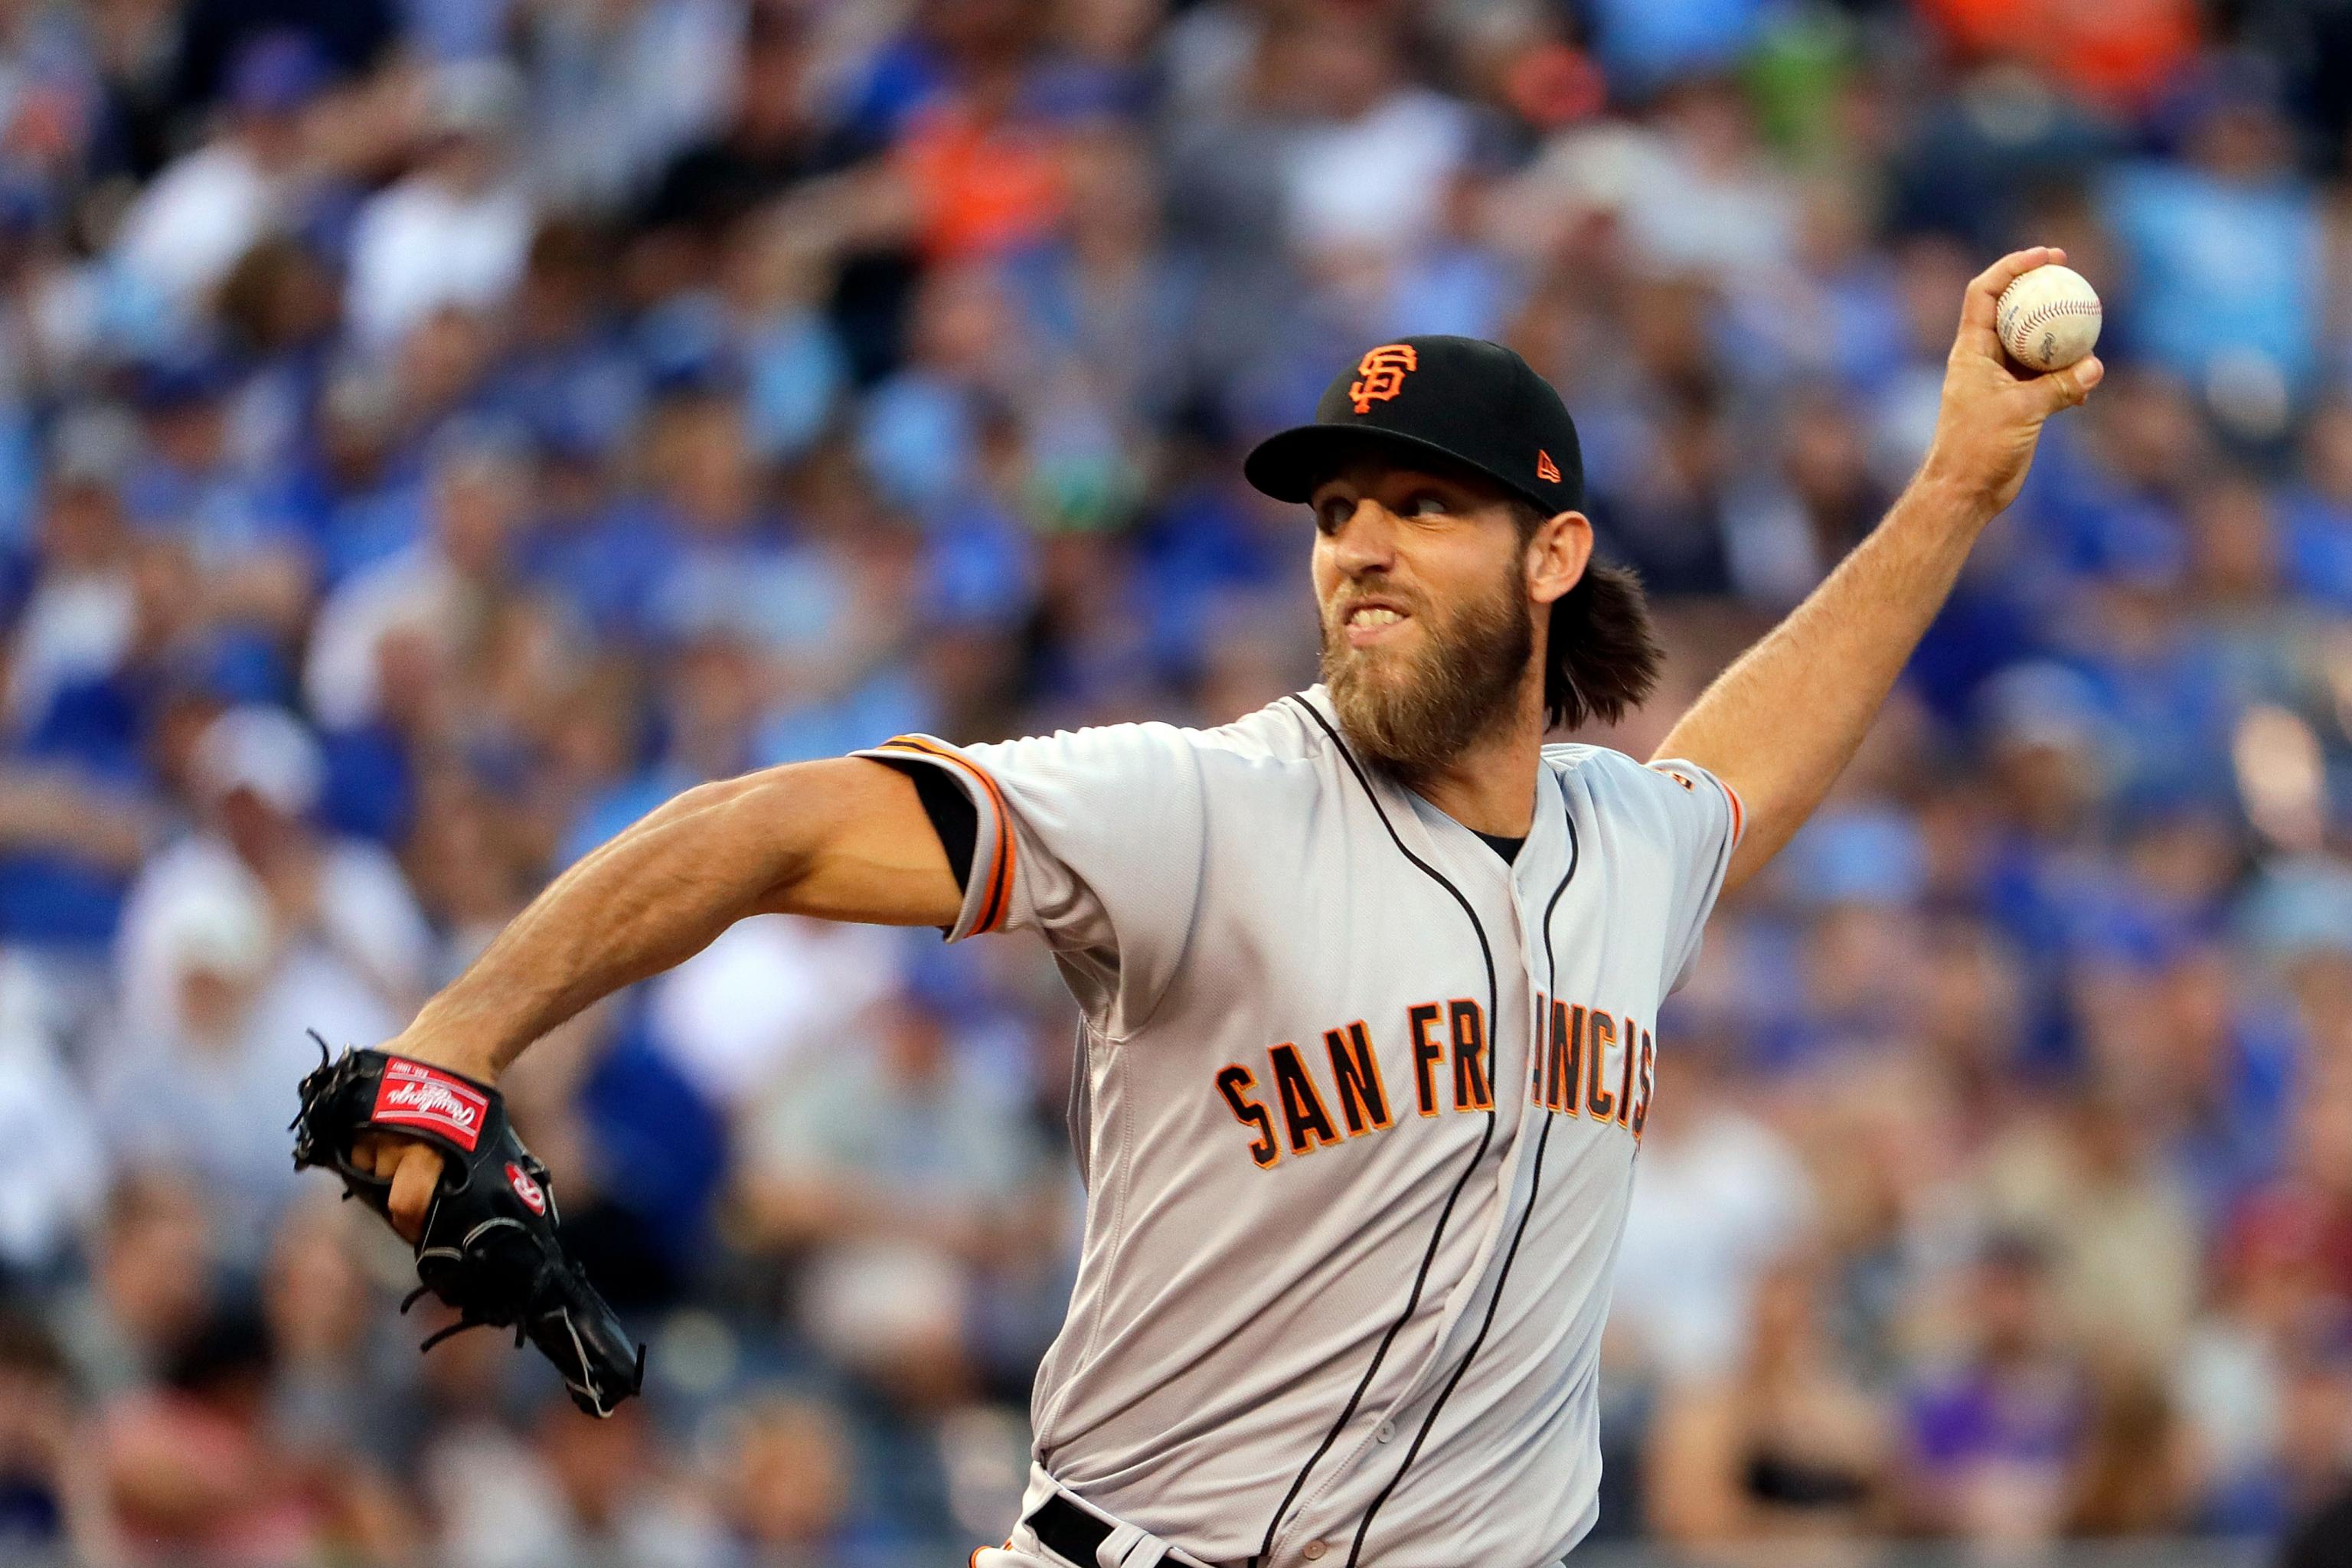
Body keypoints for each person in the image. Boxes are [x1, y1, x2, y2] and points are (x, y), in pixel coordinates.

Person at [346, 247, 2102, 1567]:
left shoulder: (1624, 846)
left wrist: (1954, 488)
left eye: (1427, 503)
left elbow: (1750, 763)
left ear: (1554, 560)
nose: (1363, 544)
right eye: (1340, 510)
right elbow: (778, 829)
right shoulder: (1203, 806)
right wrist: (452, 1040)